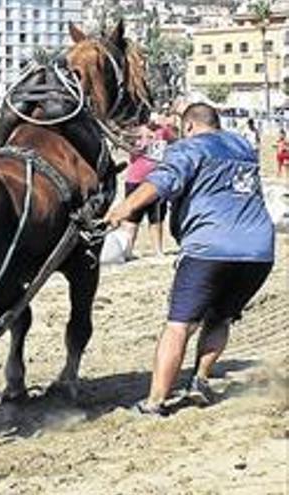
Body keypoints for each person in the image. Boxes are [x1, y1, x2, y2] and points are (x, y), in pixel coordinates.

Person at [105, 103, 274, 415]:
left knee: (179, 325)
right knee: (220, 317)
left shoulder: (190, 147)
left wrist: (123, 208)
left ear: (190, 127)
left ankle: (154, 402)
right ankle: (200, 380)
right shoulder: (242, 146)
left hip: (209, 248)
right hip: (259, 250)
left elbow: (162, 181)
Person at [121, 117, 174, 258]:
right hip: (135, 180)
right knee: (131, 219)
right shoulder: (135, 131)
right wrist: (142, 136)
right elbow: (125, 140)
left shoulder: (163, 131)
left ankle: (158, 250)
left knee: (156, 218)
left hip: (157, 180)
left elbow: (175, 137)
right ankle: (127, 251)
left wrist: (168, 124)